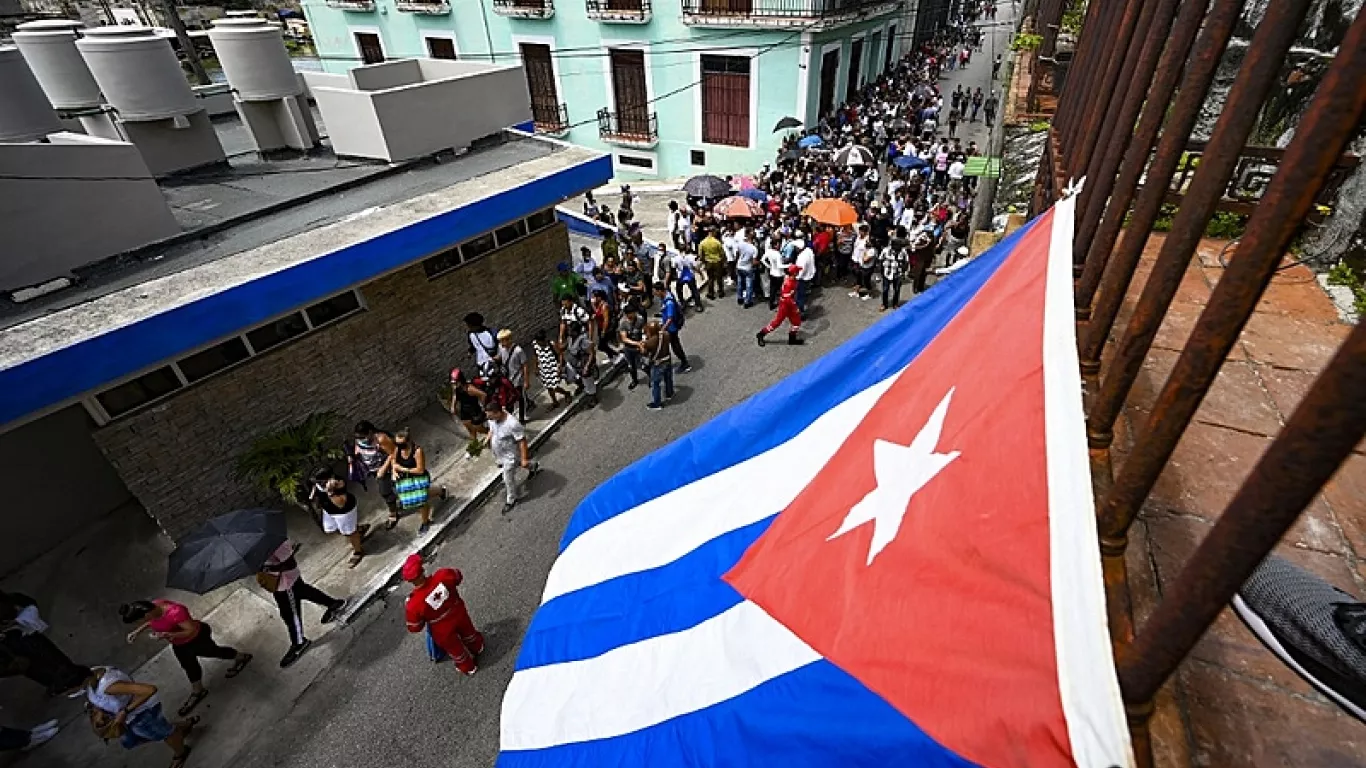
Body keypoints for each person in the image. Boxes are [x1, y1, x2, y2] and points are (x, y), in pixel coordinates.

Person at [121, 599, 251, 716]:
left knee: (215, 652)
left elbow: (191, 630)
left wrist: (167, 634)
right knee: (189, 666)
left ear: (146, 614)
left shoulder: (176, 612)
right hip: (179, 644)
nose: (141, 623)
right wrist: (137, 632)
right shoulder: (153, 608)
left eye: (139, 620)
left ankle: (241, 656)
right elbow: (150, 622)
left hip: (197, 639)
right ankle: (198, 690)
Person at [81, 666, 196, 768]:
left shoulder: (109, 686)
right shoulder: (91, 680)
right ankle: (179, 728)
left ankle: (180, 752)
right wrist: (98, 711)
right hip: (127, 718)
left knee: (162, 733)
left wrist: (125, 711)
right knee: (129, 741)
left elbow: (150, 690)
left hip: (142, 712)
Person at [258, 538, 346, 668]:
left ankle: (299, 643)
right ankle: (334, 604)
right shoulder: (260, 544)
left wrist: (268, 568)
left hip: (286, 584)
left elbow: (290, 563)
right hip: (283, 583)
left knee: (290, 614)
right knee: (305, 592)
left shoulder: (275, 542)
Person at [402, 554, 485, 676]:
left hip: (441, 628)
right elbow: (458, 577)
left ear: (409, 581)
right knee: (468, 632)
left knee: (455, 649)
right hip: (458, 612)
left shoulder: (413, 604)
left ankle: (468, 667)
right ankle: (478, 647)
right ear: (423, 570)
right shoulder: (443, 575)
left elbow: (415, 627)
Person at [0, 592, 86, 696]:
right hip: (11, 639)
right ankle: (57, 680)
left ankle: (70, 677)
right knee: (29, 663)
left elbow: (19, 603)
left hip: (20, 633)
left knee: (42, 653)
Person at [484, 400, 540, 514]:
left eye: (490, 416)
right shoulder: (493, 419)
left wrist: (524, 458)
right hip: (501, 454)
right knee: (519, 463)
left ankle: (511, 499)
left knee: (507, 478)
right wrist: (487, 439)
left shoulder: (512, 424)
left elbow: (522, 441)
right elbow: (492, 429)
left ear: (497, 412)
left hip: (510, 455)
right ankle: (532, 466)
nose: (489, 419)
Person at [348, 421, 400, 531]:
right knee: (392, 488)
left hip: (386, 470)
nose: (360, 439)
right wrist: (354, 455)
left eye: (363, 436)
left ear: (370, 432)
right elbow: (358, 448)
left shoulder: (381, 439)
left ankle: (393, 514)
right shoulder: (359, 440)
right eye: (358, 437)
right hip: (371, 469)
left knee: (385, 492)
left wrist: (383, 469)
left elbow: (393, 453)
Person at [392, 428, 446, 535]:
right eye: (396, 443)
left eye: (401, 444)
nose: (399, 446)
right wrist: (394, 471)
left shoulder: (417, 451)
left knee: (421, 501)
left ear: (408, 441)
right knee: (423, 495)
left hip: (418, 477)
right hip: (406, 478)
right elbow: (393, 460)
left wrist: (402, 469)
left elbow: (420, 469)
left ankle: (425, 521)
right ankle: (440, 491)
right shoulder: (398, 449)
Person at [313, 470, 368, 567]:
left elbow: (341, 504)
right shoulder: (317, 484)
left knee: (350, 532)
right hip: (328, 510)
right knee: (330, 529)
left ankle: (358, 551)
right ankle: (358, 530)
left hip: (344, 512)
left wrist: (331, 492)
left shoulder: (339, 483)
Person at [756, 265, 805, 347]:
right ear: (795, 273)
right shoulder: (789, 283)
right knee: (776, 323)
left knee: (797, 322)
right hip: (785, 306)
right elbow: (787, 298)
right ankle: (761, 334)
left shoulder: (790, 279)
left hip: (788, 304)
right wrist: (796, 308)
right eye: (797, 271)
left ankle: (792, 339)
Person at [654, 281, 692, 373]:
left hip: (672, 328)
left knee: (675, 346)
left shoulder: (669, 302)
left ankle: (685, 363)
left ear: (660, 291)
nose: (654, 293)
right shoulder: (667, 296)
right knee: (674, 345)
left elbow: (670, 318)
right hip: (669, 326)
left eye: (655, 291)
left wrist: (663, 328)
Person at [562, 320, 598, 408]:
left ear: (575, 331)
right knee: (568, 376)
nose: (568, 331)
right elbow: (566, 347)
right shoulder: (570, 338)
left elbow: (591, 353)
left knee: (588, 382)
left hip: (582, 364)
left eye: (570, 330)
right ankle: (580, 385)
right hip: (573, 364)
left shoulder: (583, 340)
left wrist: (586, 366)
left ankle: (593, 398)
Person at [497, 329, 531, 422]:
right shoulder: (501, 348)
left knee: (520, 397)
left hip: (517, 378)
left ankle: (522, 417)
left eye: (502, 340)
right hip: (507, 378)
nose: (501, 343)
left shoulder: (518, 350)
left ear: (508, 339)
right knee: (510, 397)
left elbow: (525, 365)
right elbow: (500, 357)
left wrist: (526, 380)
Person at [448, 369, 490, 444]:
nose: (454, 385)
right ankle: (474, 444)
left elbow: (483, 395)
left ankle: (491, 435)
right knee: (469, 428)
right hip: (464, 409)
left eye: (456, 382)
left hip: (474, 409)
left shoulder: (469, 389)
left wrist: (483, 406)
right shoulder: (456, 388)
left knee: (479, 428)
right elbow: (455, 395)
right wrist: (453, 406)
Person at [530, 330, 570, 408]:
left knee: (554, 386)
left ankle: (566, 393)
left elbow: (560, 354)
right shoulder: (535, 346)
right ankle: (555, 402)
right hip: (544, 370)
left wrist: (560, 367)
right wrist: (536, 368)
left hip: (553, 368)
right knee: (549, 387)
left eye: (540, 342)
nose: (539, 344)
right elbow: (535, 357)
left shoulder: (551, 344)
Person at [641, 319, 675, 410]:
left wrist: (642, 345)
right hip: (667, 359)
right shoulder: (666, 334)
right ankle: (670, 393)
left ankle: (657, 403)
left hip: (658, 364)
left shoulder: (650, 342)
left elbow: (644, 353)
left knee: (655, 384)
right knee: (668, 379)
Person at [616, 301, 647, 391]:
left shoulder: (640, 319)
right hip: (629, 348)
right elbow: (624, 338)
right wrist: (636, 343)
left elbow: (645, 331)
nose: (632, 316)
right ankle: (634, 380)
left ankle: (651, 378)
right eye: (630, 314)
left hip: (640, 345)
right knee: (631, 366)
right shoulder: (623, 323)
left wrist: (643, 341)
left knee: (644, 364)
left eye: (633, 313)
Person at [880, 226, 911, 311]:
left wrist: (904, 272)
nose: (898, 249)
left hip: (898, 274)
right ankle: (884, 304)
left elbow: (906, 262)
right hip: (887, 272)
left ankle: (895, 304)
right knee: (885, 290)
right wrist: (882, 271)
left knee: (897, 290)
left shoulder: (903, 252)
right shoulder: (886, 251)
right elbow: (881, 260)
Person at [463, 313, 499, 377]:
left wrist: (499, 356)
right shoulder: (470, 334)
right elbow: (474, 346)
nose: (468, 327)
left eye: (469, 325)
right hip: (480, 364)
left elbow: (501, 347)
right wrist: (470, 352)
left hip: (492, 363)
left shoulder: (491, 333)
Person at [671, 245, 704, 311]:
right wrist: (701, 274)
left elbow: (674, 267)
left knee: (679, 290)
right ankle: (698, 305)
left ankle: (682, 303)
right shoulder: (691, 257)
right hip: (690, 276)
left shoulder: (676, 258)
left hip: (681, 277)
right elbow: (695, 267)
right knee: (694, 290)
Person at [698, 228, 727, 299]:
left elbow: (700, 255)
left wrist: (704, 262)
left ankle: (711, 293)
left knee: (710, 278)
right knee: (719, 278)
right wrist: (724, 262)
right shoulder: (717, 242)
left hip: (708, 262)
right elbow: (722, 253)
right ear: (712, 232)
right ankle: (720, 292)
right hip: (717, 262)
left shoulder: (702, 243)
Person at [762, 234, 786, 311]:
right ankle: (783, 305)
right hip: (779, 274)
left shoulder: (769, 251)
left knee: (773, 289)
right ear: (775, 245)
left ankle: (771, 304)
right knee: (782, 290)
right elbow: (780, 266)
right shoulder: (777, 254)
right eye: (778, 244)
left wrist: (769, 266)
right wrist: (788, 265)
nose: (779, 246)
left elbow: (762, 260)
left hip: (772, 273)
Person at [734, 232, 758, 308]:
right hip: (747, 268)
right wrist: (759, 262)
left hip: (739, 266)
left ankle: (739, 298)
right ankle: (747, 302)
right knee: (748, 285)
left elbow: (737, 254)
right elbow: (753, 262)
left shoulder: (740, 244)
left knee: (740, 283)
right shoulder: (754, 248)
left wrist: (736, 263)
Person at [794, 237, 817, 313]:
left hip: (803, 278)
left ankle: (800, 311)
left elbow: (801, 271)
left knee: (800, 295)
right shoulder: (808, 250)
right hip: (809, 275)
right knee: (803, 292)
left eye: (795, 247)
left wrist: (795, 278)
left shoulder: (801, 258)